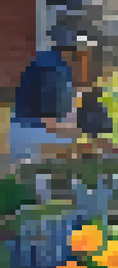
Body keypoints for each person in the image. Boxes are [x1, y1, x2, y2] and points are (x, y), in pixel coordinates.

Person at [9, 25, 84, 169]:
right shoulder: (54, 70)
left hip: (25, 131)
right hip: (34, 134)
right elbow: (50, 121)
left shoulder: (49, 61)